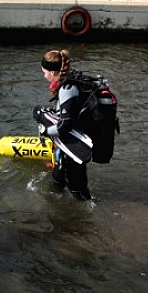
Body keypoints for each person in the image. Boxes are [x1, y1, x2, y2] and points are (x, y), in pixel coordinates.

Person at [34, 49, 93, 201]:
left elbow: (64, 126)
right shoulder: (68, 81)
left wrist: (46, 131)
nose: (44, 75)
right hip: (67, 144)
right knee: (57, 183)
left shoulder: (67, 89)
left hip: (73, 145)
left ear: (53, 72)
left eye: (44, 72)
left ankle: (91, 217)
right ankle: (60, 215)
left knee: (79, 194)